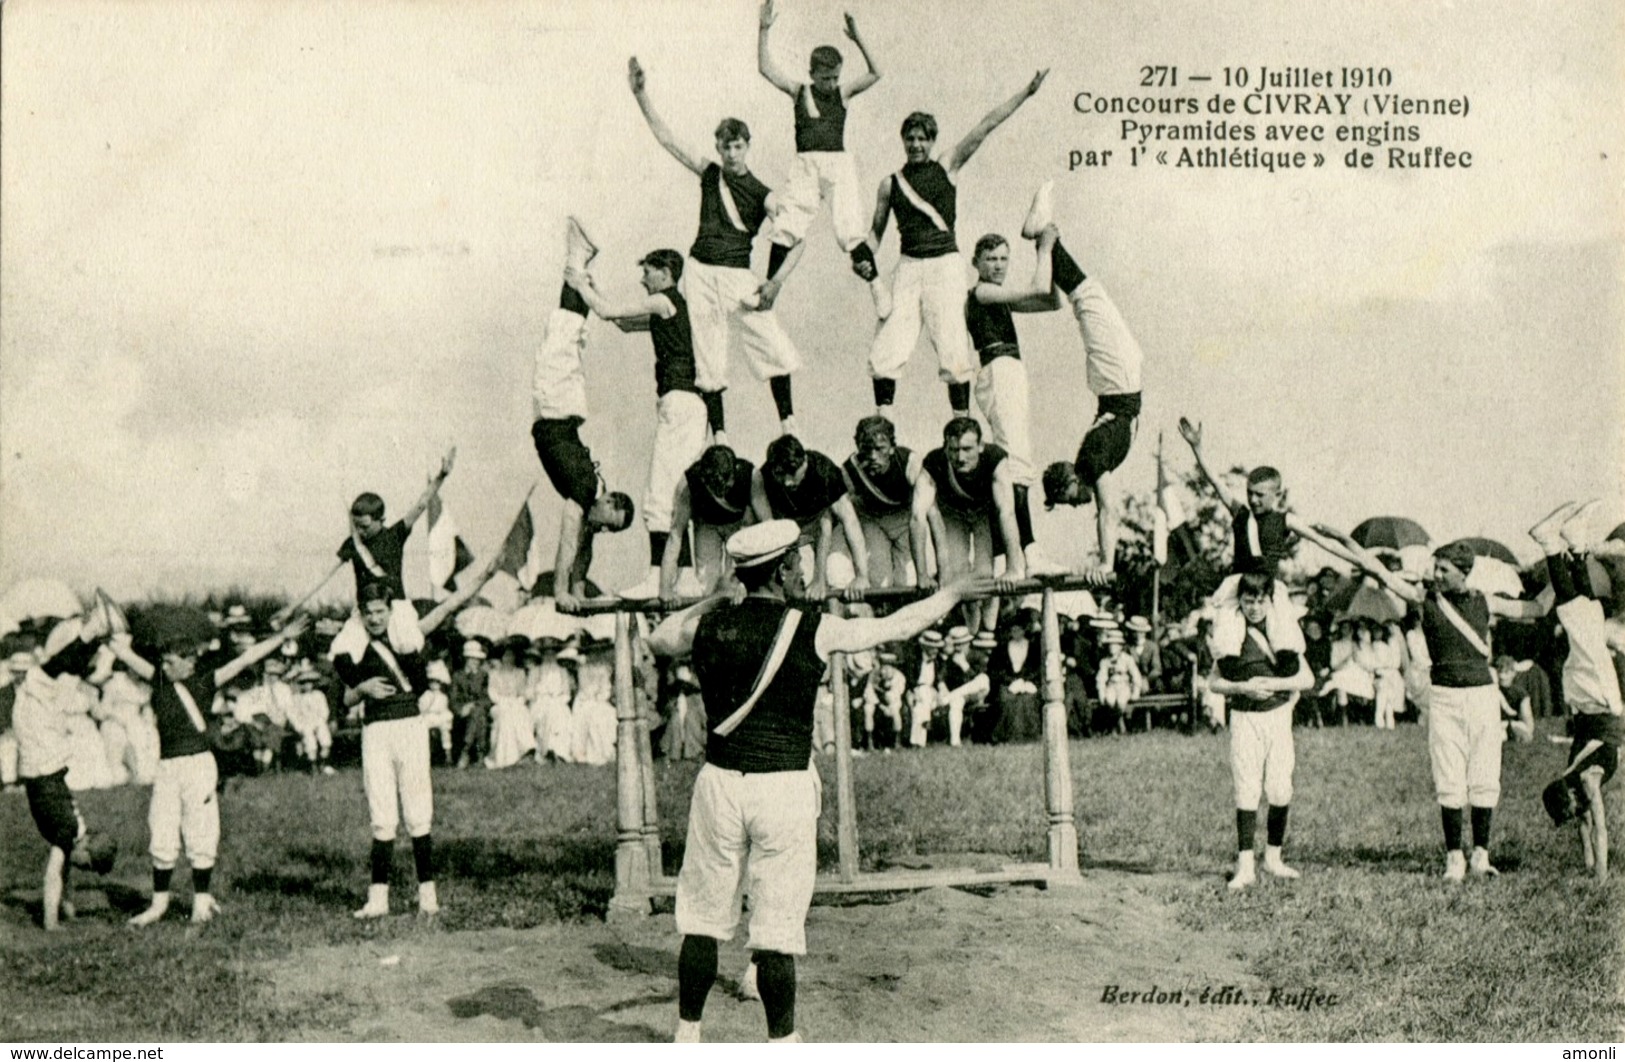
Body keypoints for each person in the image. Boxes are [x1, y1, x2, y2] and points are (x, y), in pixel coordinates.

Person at [645, 520, 991, 1042]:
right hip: (781, 788)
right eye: (797, 563)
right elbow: (895, 627)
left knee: (702, 920)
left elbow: (657, 639)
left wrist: (712, 598)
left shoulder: (707, 626)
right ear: (783, 570)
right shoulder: (812, 626)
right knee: (776, 933)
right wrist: (953, 592)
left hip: (718, 786)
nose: (802, 570)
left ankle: (687, 1036)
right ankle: (782, 1044)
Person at [1318, 524, 1546, 880]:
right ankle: (1455, 856)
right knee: (1449, 774)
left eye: (1444, 570)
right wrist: (1338, 538)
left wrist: (1566, 567)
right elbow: (1376, 569)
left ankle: (1481, 856)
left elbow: (1536, 608)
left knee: (1485, 773)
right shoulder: (1424, 600)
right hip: (1444, 697)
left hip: (1483, 697)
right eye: (1435, 568)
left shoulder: (1487, 601)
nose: (1436, 575)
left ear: (1463, 572)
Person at [629, 57, 805, 441]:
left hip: (738, 275)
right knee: (707, 356)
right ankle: (720, 439)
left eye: (737, 146)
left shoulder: (763, 194)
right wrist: (641, 95)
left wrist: (775, 283)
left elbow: (797, 237)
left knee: (772, 344)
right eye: (725, 147)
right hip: (700, 271)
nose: (730, 154)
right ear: (718, 148)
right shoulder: (710, 174)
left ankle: (789, 425)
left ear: (747, 146)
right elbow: (668, 140)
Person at [853, 72, 1048, 417]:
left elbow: (985, 126)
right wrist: (861, 257)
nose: (916, 145)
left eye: (922, 139)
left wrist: (1026, 92)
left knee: (954, 347)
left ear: (931, 141)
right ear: (902, 140)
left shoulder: (947, 166)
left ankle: (961, 422)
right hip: (909, 267)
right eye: (910, 139)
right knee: (888, 345)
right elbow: (874, 235)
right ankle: (883, 421)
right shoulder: (890, 184)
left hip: (945, 266)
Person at [109, 606, 309, 926]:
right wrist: (108, 633)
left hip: (198, 765)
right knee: (161, 829)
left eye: (172, 659)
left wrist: (281, 637)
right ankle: (159, 903)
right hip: (167, 768)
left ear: (189, 661)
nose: (164, 663)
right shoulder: (158, 680)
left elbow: (245, 659)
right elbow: (122, 651)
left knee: (200, 828)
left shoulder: (205, 680)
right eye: (163, 659)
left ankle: (202, 900)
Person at [332, 553, 502, 918]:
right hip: (375, 731)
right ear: (360, 614)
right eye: (368, 612)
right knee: (382, 813)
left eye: (380, 610)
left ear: (390, 609)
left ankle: (428, 896)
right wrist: (362, 688)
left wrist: (484, 575)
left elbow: (445, 614)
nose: (375, 617)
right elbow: (342, 699)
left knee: (419, 810)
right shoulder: (354, 647)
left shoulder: (409, 639)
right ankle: (378, 899)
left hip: (409, 727)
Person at [566, 246, 713, 601]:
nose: (642, 278)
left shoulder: (663, 301)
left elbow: (604, 312)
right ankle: (686, 575)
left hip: (679, 405)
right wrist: (592, 286)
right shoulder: (669, 309)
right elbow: (620, 323)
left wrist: (577, 284)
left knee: (658, 495)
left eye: (647, 270)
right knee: (676, 492)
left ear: (665, 272)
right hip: (689, 407)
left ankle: (655, 575)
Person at [1030, 191, 1150, 575]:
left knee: (1089, 299)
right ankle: (1046, 239)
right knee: (1089, 303)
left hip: (1118, 382)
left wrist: (1106, 561)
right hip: (1115, 383)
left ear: (1070, 480)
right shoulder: (1091, 458)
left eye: (1068, 498)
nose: (1077, 503)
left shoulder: (1092, 460)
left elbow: (1109, 510)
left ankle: (1043, 240)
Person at [1176, 418, 1362, 657]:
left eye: (1260, 495)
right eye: (1250, 494)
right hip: (1239, 584)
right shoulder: (1240, 513)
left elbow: (1322, 541)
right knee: (1226, 642)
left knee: (1286, 641)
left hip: (1269, 587)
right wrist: (1197, 448)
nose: (1253, 500)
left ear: (1277, 494)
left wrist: (1357, 560)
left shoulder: (1285, 520)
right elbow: (1215, 482)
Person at [525, 219, 639, 609]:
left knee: (568, 335)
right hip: (556, 409)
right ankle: (578, 257)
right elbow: (569, 539)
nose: (599, 530)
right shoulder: (586, 491)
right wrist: (561, 590)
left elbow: (585, 547)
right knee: (562, 334)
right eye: (607, 524)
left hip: (565, 413)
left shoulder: (593, 497)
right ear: (609, 506)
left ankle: (580, 262)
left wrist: (579, 588)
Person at [756, 0, 888, 316]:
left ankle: (877, 286)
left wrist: (858, 39)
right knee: (787, 224)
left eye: (835, 77)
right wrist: (763, 29)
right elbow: (765, 68)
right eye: (825, 78)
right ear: (812, 73)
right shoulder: (799, 90)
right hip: (805, 165)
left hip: (837, 165)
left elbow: (876, 72)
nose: (830, 84)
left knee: (849, 228)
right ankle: (768, 290)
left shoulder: (842, 94)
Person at [9, 604, 121, 931]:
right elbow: (53, 875)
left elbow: (65, 873)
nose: (79, 867)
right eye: (85, 864)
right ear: (85, 849)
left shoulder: (74, 833)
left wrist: (68, 906)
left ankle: (94, 635)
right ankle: (93, 630)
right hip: (43, 759)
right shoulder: (69, 832)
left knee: (55, 676)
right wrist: (52, 922)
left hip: (45, 762)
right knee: (51, 675)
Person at [1530, 501, 1625, 881]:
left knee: (1583, 621)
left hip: (1600, 705)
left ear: (1567, 795)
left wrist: (1597, 873)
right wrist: (1593, 870)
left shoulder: (1582, 781)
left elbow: (1595, 828)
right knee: (1586, 616)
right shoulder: (1578, 779)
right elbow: (1590, 826)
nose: (1579, 812)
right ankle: (1571, 547)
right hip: (1587, 703)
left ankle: (1556, 545)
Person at [1205, 572, 1315, 890]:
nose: (1254, 607)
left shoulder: (1282, 631)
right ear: (1239, 600)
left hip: (1278, 715)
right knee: (1247, 787)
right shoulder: (1231, 630)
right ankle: (1245, 866)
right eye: (1248, 601)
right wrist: (1243, 687)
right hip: (1244, 716)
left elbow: (1306, 679)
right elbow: (1214, 682)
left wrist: (1273, 684)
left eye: (1260, 601)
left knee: (1280, 787)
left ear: (1270, 600)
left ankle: (1274, 858)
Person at [963, 223, 1058, 548]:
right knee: (1016, 461)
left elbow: (1051, 300)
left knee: (1019, 457)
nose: (999, 265)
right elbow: (1037, 288)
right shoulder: (983, 292)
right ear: (976, 262)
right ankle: (1024, 549)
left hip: (1009, 370)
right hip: (999, 369)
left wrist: (1053, 252)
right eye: (991, 258)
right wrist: (1043, 248)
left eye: (1004, 258)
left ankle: (1017, 547)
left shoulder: (998, 297)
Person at [913, 417, 1029, 632]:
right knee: (958, 575)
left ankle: (989, 626)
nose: (960, 457)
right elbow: (917, 517)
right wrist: (921, 574)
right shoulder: (934, 462)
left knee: (985, 574)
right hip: (953, 514)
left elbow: (1007, 512)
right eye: (954, 450)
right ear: (945, 448)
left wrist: (1014, 567)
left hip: (985, 513)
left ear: (980, 446)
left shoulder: (995, 458)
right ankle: (973, 629)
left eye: (967, 449)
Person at [753, 434, 870, 600]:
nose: (787, 482)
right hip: (794, 530)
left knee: (837, 576)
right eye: (781, 474)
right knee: (800, 583)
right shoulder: (765, 475)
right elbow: (768, 528)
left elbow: (846, 522)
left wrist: (861, 576)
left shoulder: (823, 471)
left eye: (792, 473)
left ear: (805, 462)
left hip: (828, 527)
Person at [659, 445, 758, 605]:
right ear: (704, 479)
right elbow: (675, 536)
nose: (722, 492)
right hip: (707, 525)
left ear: (734, 472)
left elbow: (768, 527)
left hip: (739, 525)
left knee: (738, 586)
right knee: (709, 587)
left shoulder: (750, 475)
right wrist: (665, 587)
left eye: (726, 486)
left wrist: (749, 580)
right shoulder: (688, 483)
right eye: (716, 488)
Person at [841, 415, 926, 589]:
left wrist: (924, 572)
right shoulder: (850, 470)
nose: (872, 456)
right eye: (866, 449)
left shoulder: (909, 462)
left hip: (905, 520)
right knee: (880, 581)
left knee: (909, 581)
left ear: (892, 447)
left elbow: (925, 513)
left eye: (880, 449)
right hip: (874, 521)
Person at [1096, 629, 1144, 730]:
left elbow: (1136, 675)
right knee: (1109, 701)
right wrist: (1101, 691)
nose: (1112, 648)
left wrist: (1136, 690)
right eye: (1110, 645)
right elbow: (1101, 677)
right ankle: (1116, 724)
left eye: (1115, 645)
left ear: (1120, 647)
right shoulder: (1105, 661)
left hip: (1124, 686)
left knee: (1121, 702)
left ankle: (1118, 724)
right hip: (1111, 686)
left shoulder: (1127, 659)